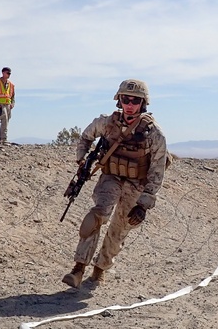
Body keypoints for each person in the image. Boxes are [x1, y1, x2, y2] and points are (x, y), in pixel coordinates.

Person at [61, 79, 168, 290]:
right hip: (111, 178)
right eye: (125, 99)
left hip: (137, 185)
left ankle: (99, 270)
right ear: (119, 100)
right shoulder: (108, 123)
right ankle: (78, 268)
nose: (130, 104)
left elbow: (157, 170)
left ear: (143, 104)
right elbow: (85, 138)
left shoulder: (154, 133)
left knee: (119, 229)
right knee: (95, 217)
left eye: (135, 101)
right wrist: (82, 160)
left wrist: (144, 204)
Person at [0, 67, 15, 144]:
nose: (9, 75)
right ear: (3, 73)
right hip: (0, 104)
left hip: (8, 105)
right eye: (8, 73)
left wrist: (12, 104)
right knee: (4, 119)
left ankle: (3, 138)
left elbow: (13, 95)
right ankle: (3, 139)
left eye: (10, 73)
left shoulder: (11, 85)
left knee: (6, 121)